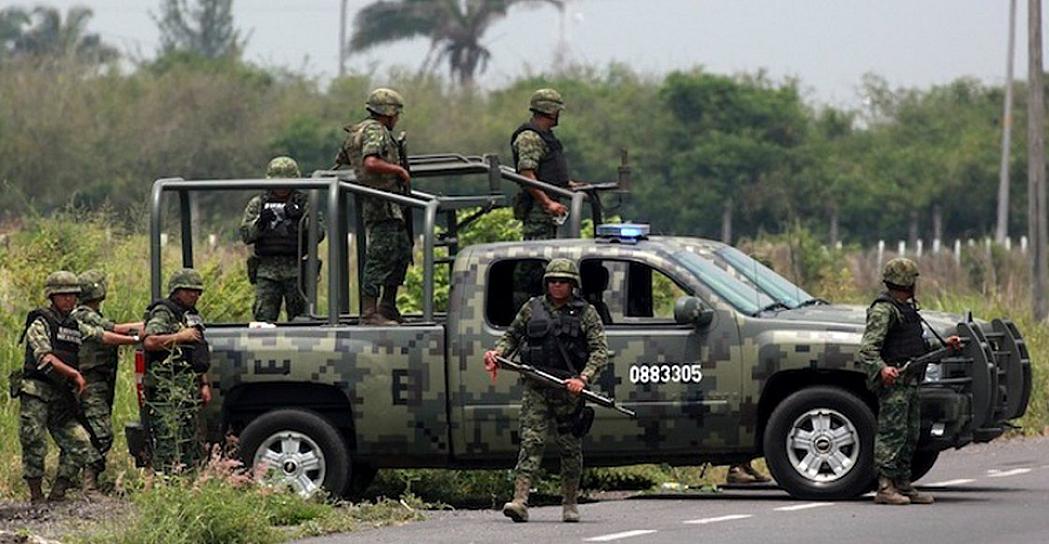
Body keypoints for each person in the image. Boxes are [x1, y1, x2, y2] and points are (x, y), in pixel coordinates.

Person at [483, 258, 608, 523]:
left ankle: (570, 502)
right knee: (531, 442)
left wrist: (583, 380)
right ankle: (520, 500)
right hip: (537, 386)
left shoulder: (586, 313)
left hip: (568, 390)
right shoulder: (532, 308)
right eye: (552, 281)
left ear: (572, 284)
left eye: (562, 281)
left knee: (570, 448)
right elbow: (512, 336)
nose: (557, 286)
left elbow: (599, 351)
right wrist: (497, 353)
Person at [15, 271, 135, 503]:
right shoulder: (41, 322)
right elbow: (45, 357)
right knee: (34, 443)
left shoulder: (73, 323)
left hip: (60, 395)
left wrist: (136, 340)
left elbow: (102, 336)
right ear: (52, 296)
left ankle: (58, 492)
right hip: (36, 392)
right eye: (63, 295)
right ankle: (36, 497)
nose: (69, 300)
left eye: (73, 295)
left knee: (81, 443)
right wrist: (74, 374)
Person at [859, 258, 960, 505]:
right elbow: (868, 349)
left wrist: (944, 346)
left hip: (912, 380)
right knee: (891, 434)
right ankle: (885, 487)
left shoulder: (907, 309)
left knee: (910, 434)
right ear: (906, 282)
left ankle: (903, 483)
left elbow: (918, 345)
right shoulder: (884, 310)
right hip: (895, 383)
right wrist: (882, 370)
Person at [334, 88, 412, 325]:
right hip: (381, 203)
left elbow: (343, 160)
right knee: (380, 257)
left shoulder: (358, 131)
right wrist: (398, 170)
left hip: (389, 203)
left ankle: (387, 306)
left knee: (401, 252)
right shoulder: (376, 131)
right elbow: (370, 162)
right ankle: (370, 313)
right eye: (396, 113)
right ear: (387, 113)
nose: (397, 118)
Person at [71, 269, 143, 487]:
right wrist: (144, 330)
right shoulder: (83, 314)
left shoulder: (90, 314)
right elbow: (113, 331)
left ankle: (77, 479)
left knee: (92, 430)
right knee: (101, 433)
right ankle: (87, 481)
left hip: (100, 382)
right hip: (89, 382)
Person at [142, 268, 212, 473]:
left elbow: (197, 353)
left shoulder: (191, 316)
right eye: (189, 290)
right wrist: (181, 337)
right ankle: (164, 481)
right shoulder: (164, 312)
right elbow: (150, 341)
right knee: (168, 438)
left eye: (198, 292)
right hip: (167, 389)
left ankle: (187, 481)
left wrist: (204, 383)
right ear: (176, 291)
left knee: (189, 439)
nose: (195, 295)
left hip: (188, 387)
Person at [240, 156, 324, 322]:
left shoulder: (305, 202)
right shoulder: (258, 204)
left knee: (301, 320)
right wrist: (261, 223)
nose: (282, 187)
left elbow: (319, 234)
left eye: (287, 182)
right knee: (263, 320)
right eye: (278, 182)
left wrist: (302, 219)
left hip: (297, 270)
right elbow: (246, 235)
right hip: (266, 270)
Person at [510, 88, 574, 242]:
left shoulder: (545, 136)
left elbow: (548, 170)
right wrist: (547, 203)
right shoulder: (529, 137)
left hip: (548, 208)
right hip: (537, 211)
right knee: (535, 257)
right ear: (550, 111)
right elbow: (527, 175)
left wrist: (569, 185)